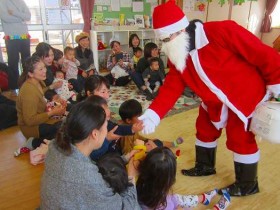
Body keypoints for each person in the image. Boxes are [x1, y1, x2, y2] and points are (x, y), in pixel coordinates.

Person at [139, 0, 280, 197]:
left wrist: (276, 79)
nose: (165, 46)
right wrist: (153, 114)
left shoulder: (221, 31)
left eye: (167, 38)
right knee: (204, 128)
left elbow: (260, 52)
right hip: (212, 99)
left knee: (240, 137)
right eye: (162, 40)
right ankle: (204, 166)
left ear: (180, 30)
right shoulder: (176, 51)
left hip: (243, 95)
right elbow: (172, 87)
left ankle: (247, 184)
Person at [40, 101, 140, 210]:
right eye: (106, 126)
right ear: (95, 134)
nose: (107, 131)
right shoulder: (90, 179)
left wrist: (124, 159)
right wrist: (131, 176)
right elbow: (127, 207)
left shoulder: (55, 146)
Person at [136, 147, 231, 210]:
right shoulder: (165, 204)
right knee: (176, 199)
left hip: (162, 199)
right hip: (166, 203)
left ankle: (203, 198)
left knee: (176, 198)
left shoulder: (137, 186)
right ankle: (217, 208)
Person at [16, 55, 66, 154]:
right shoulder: (28, 91)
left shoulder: (38, 82)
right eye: (40, 69)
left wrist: (54, 102)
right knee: (63, 131)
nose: (45, 71)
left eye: (44, 68)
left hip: (41, 119)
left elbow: (40, 98)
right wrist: (52, 112)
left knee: (66, 125)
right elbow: (29, 120)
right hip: (31, 127)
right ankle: (34, 142)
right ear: (30, 73)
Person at [119, 99, 183, 154]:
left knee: (157, 142)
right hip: (136, 151)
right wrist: (143, 149)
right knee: (156, 148)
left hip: (139, 145)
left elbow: (137, 137)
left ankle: (173, 143)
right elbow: (127, 153)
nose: (142, 118)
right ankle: (170, 148)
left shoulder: (133, 127)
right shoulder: (126, 134)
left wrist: (147, 140)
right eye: (139, 116)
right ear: (128, 120)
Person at [0, 0, 31, 90]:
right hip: (11, 37)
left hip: (25, 36)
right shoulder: (2, 2)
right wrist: (22, 18)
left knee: (27, 62)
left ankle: (28, 84)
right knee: (13, 63)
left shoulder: (21, 1)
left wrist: (14, 13)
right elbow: (5, 18)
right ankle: (14, 87)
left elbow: (28, 16)